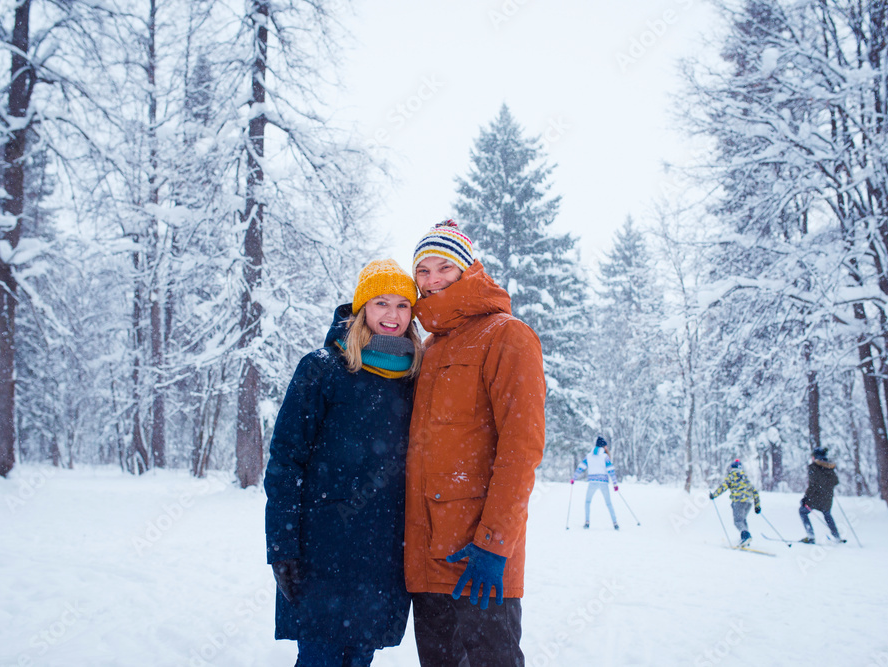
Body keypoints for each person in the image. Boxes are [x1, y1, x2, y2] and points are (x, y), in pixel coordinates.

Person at [263, 259, 422, 667]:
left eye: (403, 305)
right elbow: (285, 460)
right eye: (381, 302)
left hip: (383, 555)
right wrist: (281, 545)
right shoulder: (322, 367)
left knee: (359, 659)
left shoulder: (416, 377)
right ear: (362, 308)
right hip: (323, 553)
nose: (392, 315)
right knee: (321, 657)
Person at [405, 219, 546, 667]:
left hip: (479, 562)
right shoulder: (428, 347)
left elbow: (521, 450)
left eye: (442, 267)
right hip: (428, 562)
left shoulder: (507, 335)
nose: (431, 280)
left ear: (467, 270)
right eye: (422, 271)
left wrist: (493, 544)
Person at [571, 435, 620, 530]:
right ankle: (615, 523)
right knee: (608, 503)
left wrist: (574, 478)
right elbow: (610, 470)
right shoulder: (605, 456)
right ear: (603, 446)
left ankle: (587, 522)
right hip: (603, 482)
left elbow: (581, 467)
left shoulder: (589, 456)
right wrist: (615, 483)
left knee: (587, 502)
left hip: (592, 482)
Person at [709, 459, 761, 547]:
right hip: (748, 502)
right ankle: (746, 539)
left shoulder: (732, 476)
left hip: (738, 501)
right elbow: (754, 491)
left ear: (732, 468)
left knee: (738, 521)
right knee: (743, 520)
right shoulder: (745, 478)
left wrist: (714, 495)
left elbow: (723, 487)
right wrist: (757, 506)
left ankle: (745, 537)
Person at [799, 447, 844, 544]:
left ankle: (811, 536)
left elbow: (812, 485)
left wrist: (805, 498)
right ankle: (836, 536)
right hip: (827, 497)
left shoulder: (813, 467)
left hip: (816, 497)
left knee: (802, 511)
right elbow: (835, 481)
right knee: (827, 514)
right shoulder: (829, 467)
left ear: (815, 457)